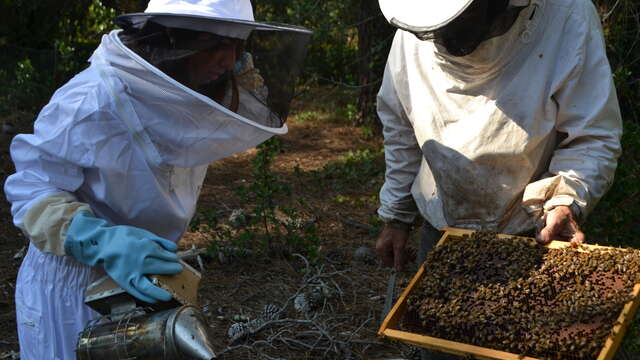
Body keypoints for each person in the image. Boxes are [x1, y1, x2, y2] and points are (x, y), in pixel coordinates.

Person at [3, 0, 311, 359]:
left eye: (236, 46)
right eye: (214, 45)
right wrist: (99, 239)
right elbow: (31, 190)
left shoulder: (190, 91)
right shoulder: (90, 100)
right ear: (171, 41)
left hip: (144, 282)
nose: (229, 61)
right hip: (74, 287)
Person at [374, 0, 622, 280]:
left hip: (534, 229)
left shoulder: (567, 16)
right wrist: (397, 216)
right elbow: (400, 129)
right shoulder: (417, 19)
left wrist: (566, 199)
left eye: (461, 20)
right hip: (441, 222)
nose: (449, 35)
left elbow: (592, 136)